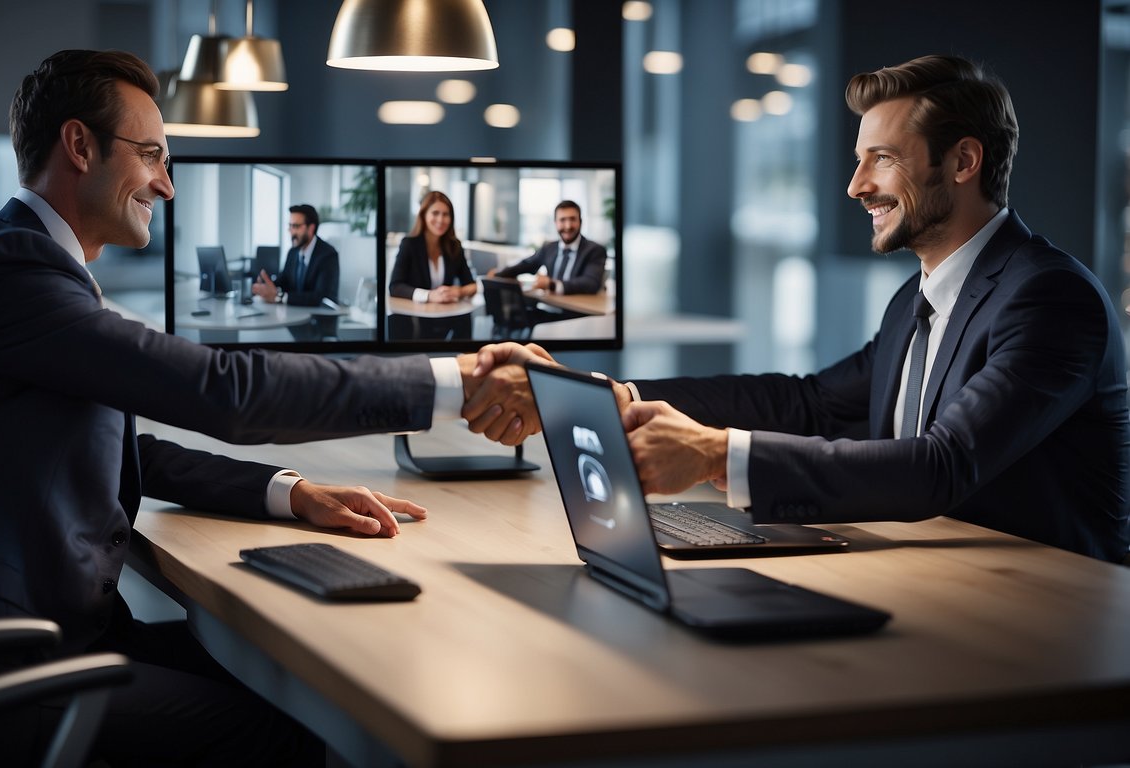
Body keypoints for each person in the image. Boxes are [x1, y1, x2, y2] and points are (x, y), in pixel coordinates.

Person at [0, 49, 536, 766]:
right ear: (79, 146)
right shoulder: (11, 273)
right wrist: (454, 382)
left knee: (296, 673)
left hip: (21, 628)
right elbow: (223, 390)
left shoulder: (11, 260)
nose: (167, 185)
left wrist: (286, 493)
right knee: (303, 716)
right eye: (151, 154)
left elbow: (117, 448)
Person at [481, 54, 1130, 563]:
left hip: (1049, 614)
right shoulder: (916, 299)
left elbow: (944, 465)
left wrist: (715, 455)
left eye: (881, 159)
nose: (856, 186)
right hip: (947, 587)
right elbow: (808, 403)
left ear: (963, 161)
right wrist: (607, 392)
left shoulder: (1050, 298)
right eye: (857, 160)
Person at [489, 200, 607, 295]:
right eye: (562, 220)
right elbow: (526, 265)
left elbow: (591, 283)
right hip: (550, 307)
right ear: (555, 223)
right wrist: (499, 274)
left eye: (572, 219)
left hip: (577, 313)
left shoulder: (595, 250)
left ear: (580, 222)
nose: (568, 226)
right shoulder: (549, 248)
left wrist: (551, 284)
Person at [388, 190, 478, 304]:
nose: (440, 220)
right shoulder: (409, 244)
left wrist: (459, 291)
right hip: (415, 316)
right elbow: (395, 287)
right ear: (424, 215)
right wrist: (429, 295)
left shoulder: (454, 246)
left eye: (445, 214)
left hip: (444, 314)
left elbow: (471, 285)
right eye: (435, 213)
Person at [253, 203, 340, 308]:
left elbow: (320, 297)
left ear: (311, 228)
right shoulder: (293, 252)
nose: (291, 232)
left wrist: (280, 297)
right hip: (293, 314)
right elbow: (284, 280)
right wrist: (266, 286)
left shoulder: (328, 255)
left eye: (296, 226)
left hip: (317, 319)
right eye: (290, 226)